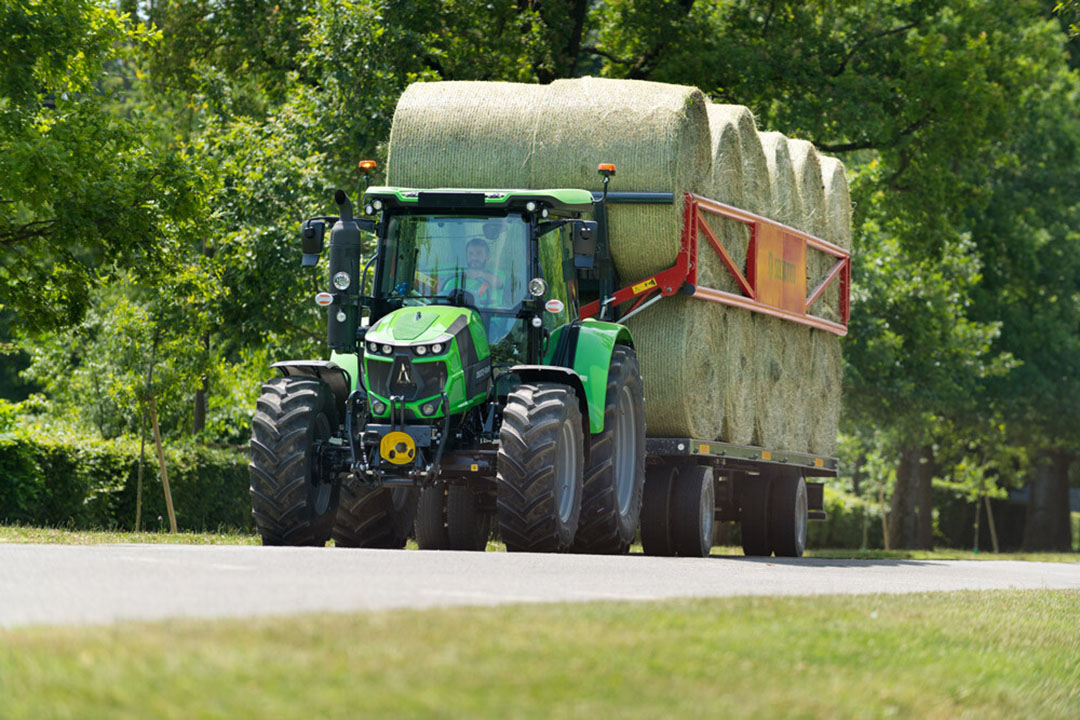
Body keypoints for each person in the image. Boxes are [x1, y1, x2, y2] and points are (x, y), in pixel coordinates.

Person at [441, 237, 504, 304]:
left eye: (479, 253)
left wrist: (480, 274)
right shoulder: (455, 278)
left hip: (489, 313)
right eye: (470, 254)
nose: (474, 257)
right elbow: (445, 299)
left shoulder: (496, 274)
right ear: (466, 257)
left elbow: (499, 283)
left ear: (487, 256)